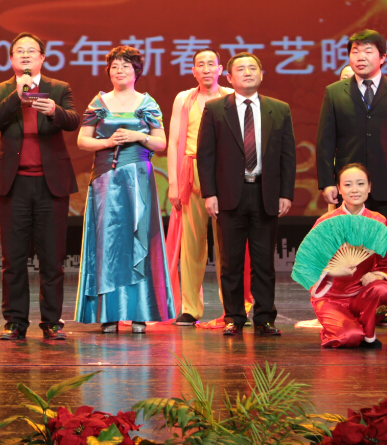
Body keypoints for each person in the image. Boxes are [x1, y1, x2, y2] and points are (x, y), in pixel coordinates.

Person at [315, 30, 387, 333]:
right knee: (352, 248)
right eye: (355, 51)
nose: (360, 57)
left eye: (368, 51)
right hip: (350, 187)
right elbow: (325, 141)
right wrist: (327, 181)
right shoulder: (335, 92)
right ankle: (353, 309)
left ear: (383, 57)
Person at [0, 32, 81, 341]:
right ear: (11, 59)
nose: (25, 55)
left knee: (52, 259)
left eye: (32, 51)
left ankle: (52, 322)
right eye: (19, 51)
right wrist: (16, 95)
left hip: (51, 184)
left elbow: (73, 120)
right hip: (13, 185)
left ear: (42, 58)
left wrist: (54, 111)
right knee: (13, 259)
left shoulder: (59, 88)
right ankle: (15, 322)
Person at [73, 46, 173, 333]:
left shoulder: (147, 102)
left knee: (139, 239)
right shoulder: (99, 102)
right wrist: (108, 142)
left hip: (138, 178)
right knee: (108, 243)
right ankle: (109, 313)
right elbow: (82, 140)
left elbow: (160, 143)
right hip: (106, 178)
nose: (119, 71)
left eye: (125, 66)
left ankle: (140, 312)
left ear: (136, 71)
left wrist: (137, 136)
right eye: (115, 66)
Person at [195, 52, 296, 337]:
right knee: (231, 262)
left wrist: (286, 193)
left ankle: (264, 318)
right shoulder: (216, 109)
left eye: (253, 68)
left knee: (264, 262)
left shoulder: (279, 109)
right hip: (229, 195)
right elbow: (206, 155)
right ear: (229, 77)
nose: (248, 72)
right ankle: (234, 317)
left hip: (265, 193)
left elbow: (287, 155)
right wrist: (209, 193)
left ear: (262, 75)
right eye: (241, 69)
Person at [164, 47, 233, 326]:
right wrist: (173, 183)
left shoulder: (231, 96)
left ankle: (233, 308)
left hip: (224, 175)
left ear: (220, 70)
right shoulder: (184, 98)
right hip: (191, 174)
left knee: (227, 244)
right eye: (200, 65)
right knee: (192, 244)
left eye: (211, 64)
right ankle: (191, 308)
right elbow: (174, 142)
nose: (206, 69)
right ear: (193, 71)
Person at [308, 164, 387, 349]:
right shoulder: (326, 222)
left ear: (369, 187)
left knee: (384, 291)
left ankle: (367, 330)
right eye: (348, 185)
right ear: (339, 189)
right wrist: (332, 272)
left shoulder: (379, 221)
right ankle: (342, 329)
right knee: (350, 337)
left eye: (360, 184)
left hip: (363, 295)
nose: (354, 190)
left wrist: (378, 275)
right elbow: (310, 265)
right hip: (331, 297)